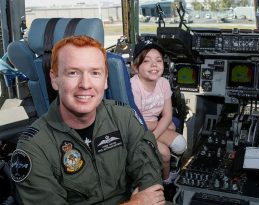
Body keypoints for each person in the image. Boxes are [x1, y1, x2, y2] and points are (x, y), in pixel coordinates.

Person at [10, 35, 165, 205]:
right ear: (55, 79)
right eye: (73, 73)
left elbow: (150, 178)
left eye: (95, 73)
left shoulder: (124, 117)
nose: (85, 84)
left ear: (105, 80)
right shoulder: (34, 146)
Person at [131, 40, 187, 184]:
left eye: (158, 60)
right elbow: (137, 122)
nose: (154, 65)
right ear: (136, 67)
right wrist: (160, 124)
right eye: (147, 61)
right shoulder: (134, 86)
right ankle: (167, 179)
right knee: (165, 153)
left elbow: (168, 115)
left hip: (152, 126)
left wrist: (154, 133)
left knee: (181, 144)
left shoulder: (163, 83)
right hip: (138, 129)